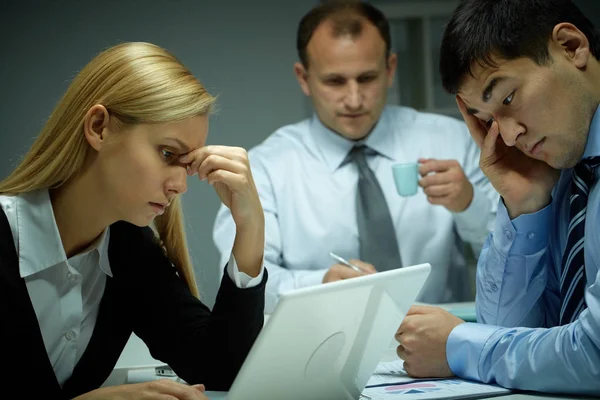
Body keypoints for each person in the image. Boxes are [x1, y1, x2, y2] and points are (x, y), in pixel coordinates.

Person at [0, 42, 267, 399]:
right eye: (167, 153)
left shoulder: (126, 249)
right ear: (99, 127)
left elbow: (218, 369)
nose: (180, 186)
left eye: (186, 164)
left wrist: (250, 227)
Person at [212, 0, 498, 313]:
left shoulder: (452, 140)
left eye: (367, 78)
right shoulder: (266, 169)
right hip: (322, 345)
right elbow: (238, 283)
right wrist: (320, 284)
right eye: (335, 81)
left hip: (437, 344)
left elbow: (511, 257)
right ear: (303, 78)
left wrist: (471, 205)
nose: (354, 99)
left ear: (390, 70)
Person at [395, 0, 600, 395]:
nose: (507, 137)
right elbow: (508, 332)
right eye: (488, 120)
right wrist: (525, 205)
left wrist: (458, 346)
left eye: (507, 98)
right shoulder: (561, 172)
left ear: (572, 47)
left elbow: (593, 356)